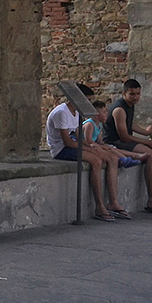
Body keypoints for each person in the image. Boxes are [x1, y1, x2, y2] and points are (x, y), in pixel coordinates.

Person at [45, 88, 128, 221]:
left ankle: (113, 201)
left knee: (111, 157)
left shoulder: (77, 112)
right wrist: (90, 150)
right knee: (96, 160)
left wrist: (93, 146)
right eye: (87, 100)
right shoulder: (61, 113)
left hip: (74, 145)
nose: (88, 104)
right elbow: (67, 142)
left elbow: (79, 137)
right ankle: (99, 206)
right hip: (61, 149)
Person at [104, 78, 152, 214]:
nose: (135, 97)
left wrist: (145, 132)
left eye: (138, 94)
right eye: (132, 94)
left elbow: (129, 124)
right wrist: (147, 142)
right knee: (151, 156)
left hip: (126, 141)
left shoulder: (129, 106)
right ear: (124, 94)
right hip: (116, 142)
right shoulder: (119, 109)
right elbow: (124, 137)